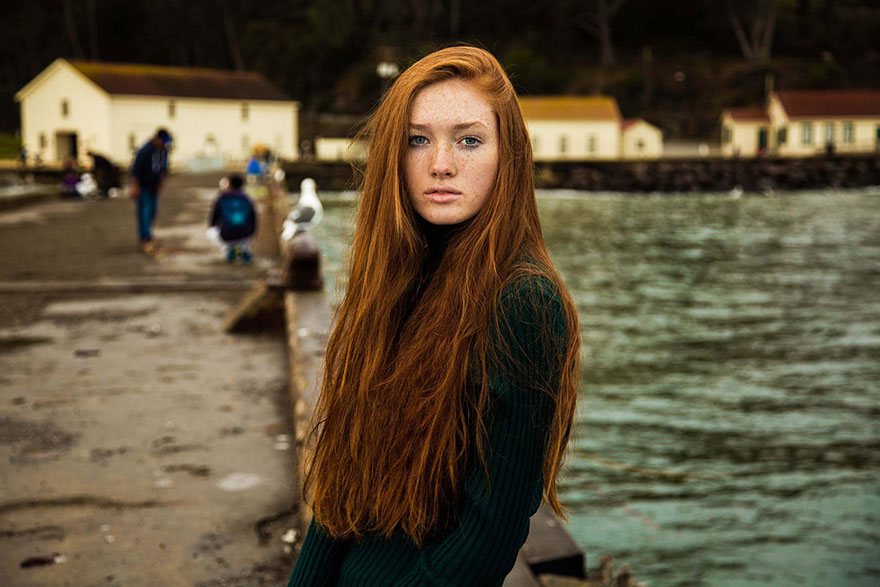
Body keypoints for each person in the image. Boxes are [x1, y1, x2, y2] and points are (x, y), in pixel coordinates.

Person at [287, 46, 580, 586]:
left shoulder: (523, 302)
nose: (441, 164)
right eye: (418, 139)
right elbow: (340, 488)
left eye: (469, 140)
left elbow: (488, 539)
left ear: (507, 154)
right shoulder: (394, 278)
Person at [130, 128, 172, 253]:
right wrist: (135, 186)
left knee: (153, 211)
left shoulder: (164, 151)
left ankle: (148, 235)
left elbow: (164, 169)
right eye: (163, 141)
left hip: (154, 187)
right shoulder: (144, 151)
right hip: (143, 186)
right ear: (156, 139)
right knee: (145, 211)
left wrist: (160, 184)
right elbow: (135, 171)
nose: (164, 144)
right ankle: (145, 238)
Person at [208, 174, 257, 263]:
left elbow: (214, 217)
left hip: (227, 234)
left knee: (212, 232)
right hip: (246, 233)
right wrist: (252, 231)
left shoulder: (222, 198)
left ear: (229, 184)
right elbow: (253, 218)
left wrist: (213, 227)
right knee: (243, 235)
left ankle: (230, 250)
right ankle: (243, 250)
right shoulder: (247, 199)